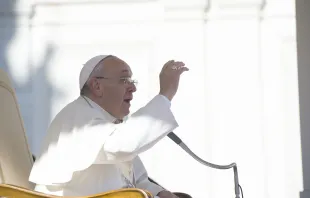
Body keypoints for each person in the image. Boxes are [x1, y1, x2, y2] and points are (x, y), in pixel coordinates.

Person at [29, 55, 188, 198]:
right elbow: (121, 145)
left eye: (132, 81)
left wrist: (159, 192)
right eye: (124, 80)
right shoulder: (77, 117)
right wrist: (165, 95)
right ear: (97, 86)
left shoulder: (107, 123)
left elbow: (134, 179)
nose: (133, 88)